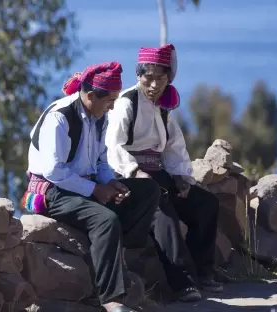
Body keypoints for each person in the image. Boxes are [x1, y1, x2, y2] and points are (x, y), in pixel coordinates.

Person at [22, 62, 161, 312]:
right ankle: (111, 300)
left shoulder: (99, 116)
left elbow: (101, 160)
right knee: (105, 220)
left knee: (148, 191)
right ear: (89, 95)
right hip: (52, 190)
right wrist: (95, 190)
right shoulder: (60, 117)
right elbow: (55, 171)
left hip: (83, 184)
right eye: (109, 100)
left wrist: (110, 182)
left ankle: (123, 257)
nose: (112, 106)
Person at [106, 44, 223, 302]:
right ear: (139, 76)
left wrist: (181, 176)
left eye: (161, 78)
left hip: (159, 173)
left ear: (169, 78)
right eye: (148, 77)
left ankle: (204, 272)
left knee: (206, 205)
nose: (154, 84)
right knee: (164, 216)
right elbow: (113, 146)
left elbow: (173, 145)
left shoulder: (163, 106)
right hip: (130, 178)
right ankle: (182, 283)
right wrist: (135, 172)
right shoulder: (127, 103)